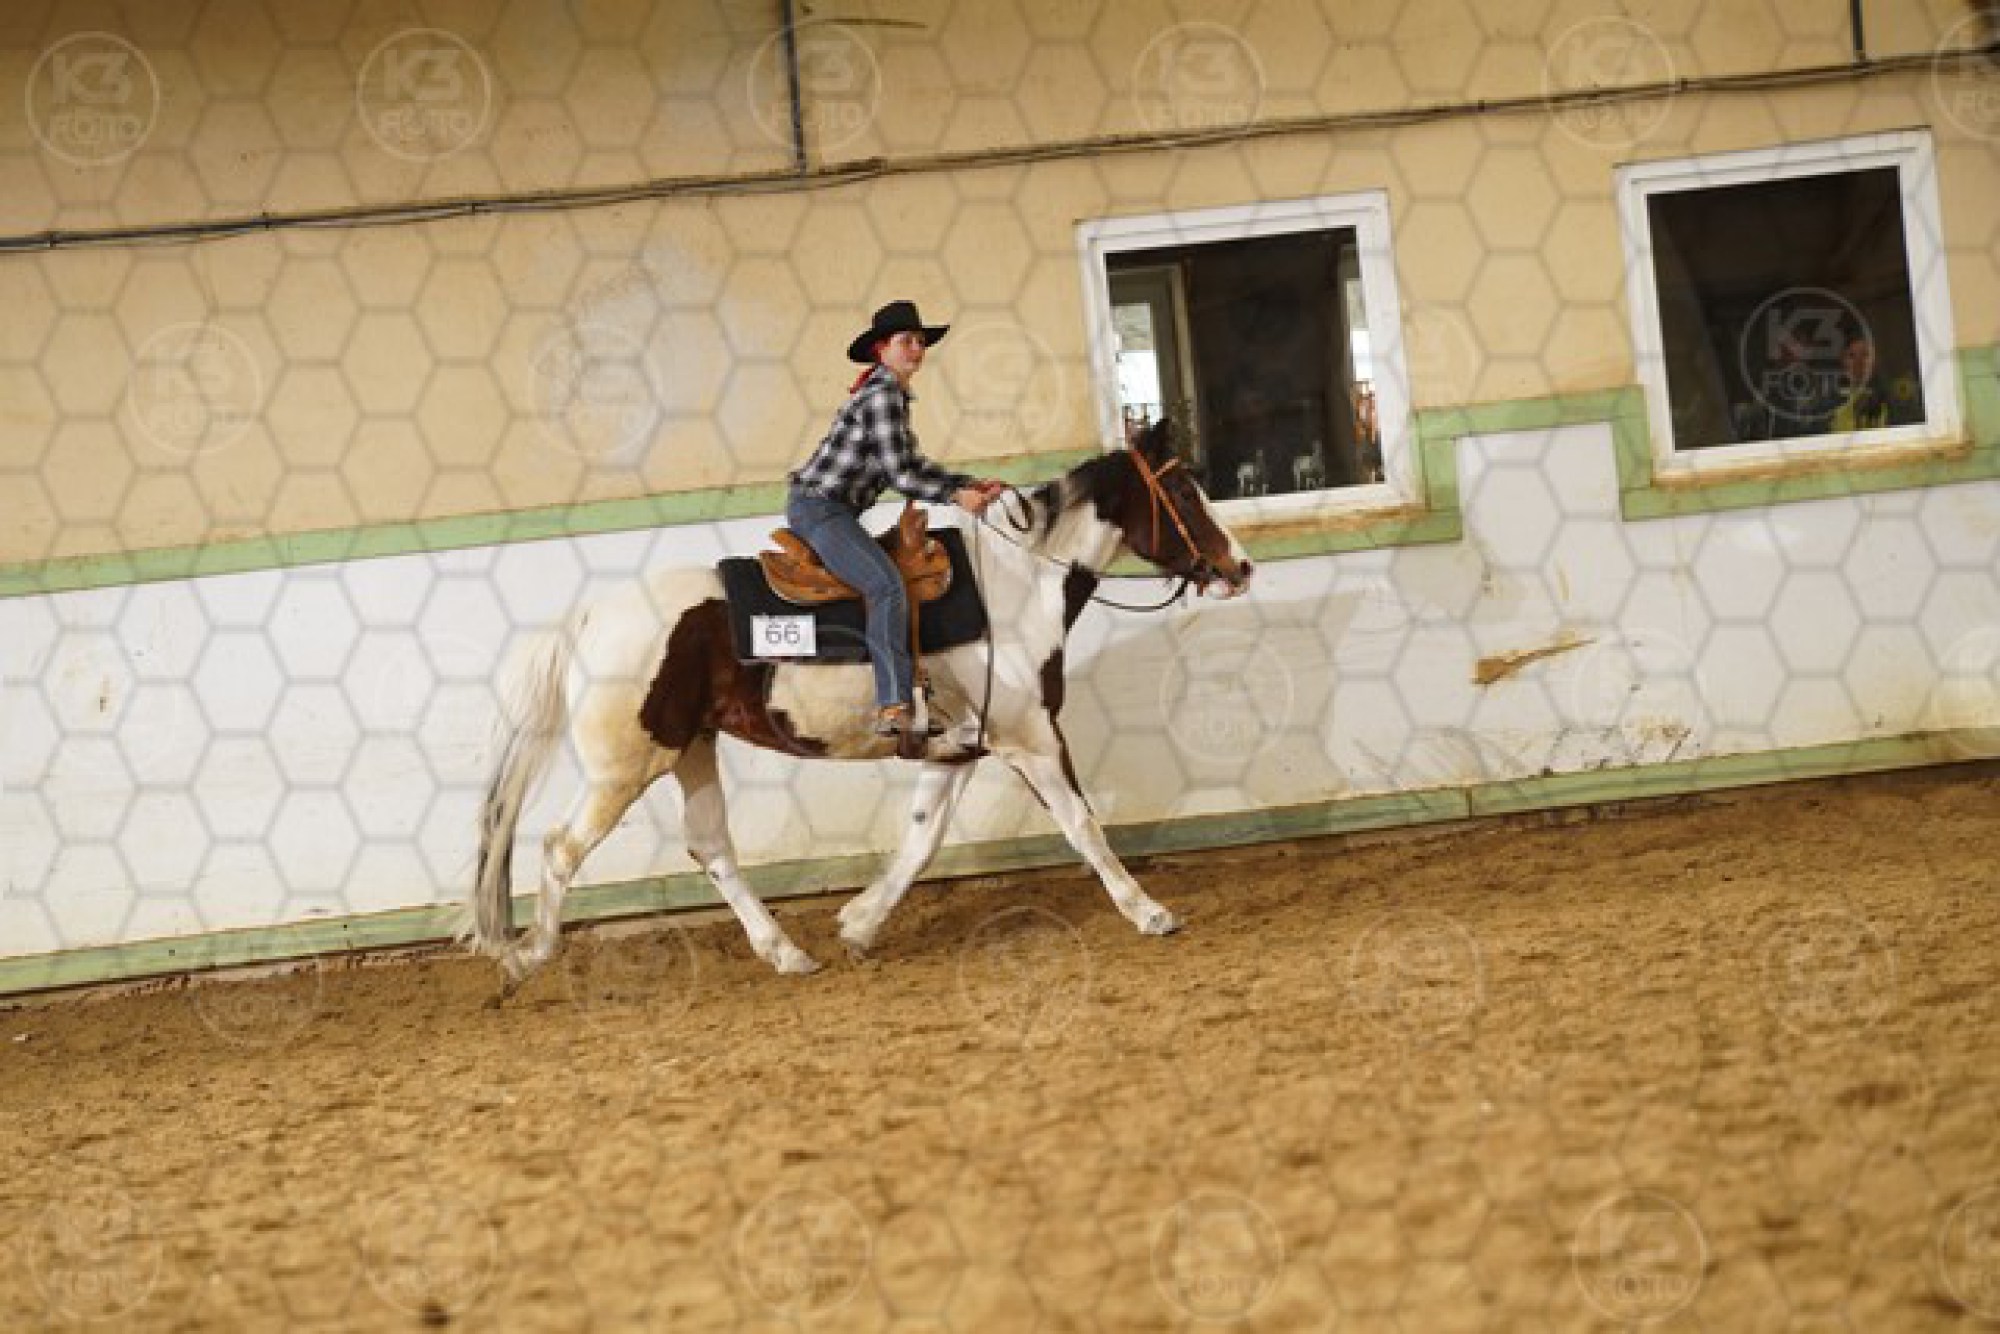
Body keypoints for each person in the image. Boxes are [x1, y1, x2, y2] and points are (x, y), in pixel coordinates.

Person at [786, 300, 1007, 747]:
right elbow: (900, 476)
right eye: (907, 341)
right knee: (885, 586)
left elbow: (912, 464)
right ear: (881, 349)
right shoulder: (883, 395)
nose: (917, 349)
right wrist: (955, 497)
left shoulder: (891, 395)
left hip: (834, 510)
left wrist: (967, 483)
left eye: (921, 342)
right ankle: (893, 704)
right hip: (819, 509)